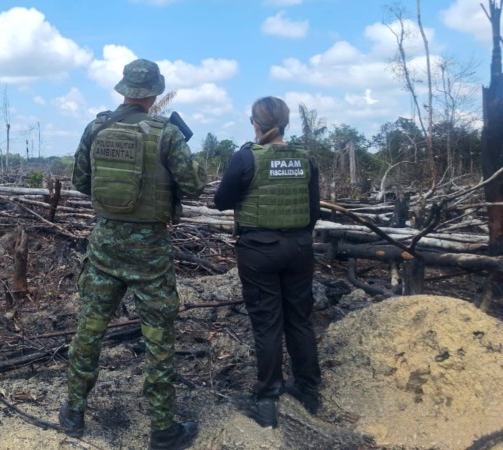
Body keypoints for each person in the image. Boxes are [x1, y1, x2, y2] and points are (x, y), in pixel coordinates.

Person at [59, 58, 207, 450]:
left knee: (89, 330)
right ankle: (162, 429)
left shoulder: (96, 128)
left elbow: (81, 181)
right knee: (158, 338)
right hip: (150, 253)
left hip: (105, 245)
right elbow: (194, 185)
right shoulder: (167, 133)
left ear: (124, 89)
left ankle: (74, 412)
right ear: (155, 93)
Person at [213, 96, 322, 428]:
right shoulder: (305, 159)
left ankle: (268, 399)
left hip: (259, 250)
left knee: (267, 322)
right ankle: (308, 390)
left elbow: (221, 201)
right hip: (300, 248)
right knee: (300, 319)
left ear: (255, 123)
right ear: (285, 124)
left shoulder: (246, 157)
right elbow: (313, 209)